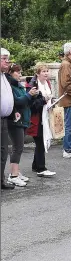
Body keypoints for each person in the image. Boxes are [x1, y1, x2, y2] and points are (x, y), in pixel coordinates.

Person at [6, 64, 38, 186]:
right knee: (17, 147)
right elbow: (18, 102)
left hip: (24, 119)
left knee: (19, 147)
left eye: (20, 72)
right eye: (18, 72)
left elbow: (26, 102)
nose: (20, 75)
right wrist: (29, 94)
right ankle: (13, 175)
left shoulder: (19, 85)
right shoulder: (10, 86)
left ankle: (16, 172)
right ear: (11, 73)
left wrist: (32, 96)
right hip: (15, 120)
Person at [26, 63, 56, 177]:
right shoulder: (33, 85)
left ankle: (35, 165)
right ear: (38, 73)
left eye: (47, 71)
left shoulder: (47, 83)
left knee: (40, 142)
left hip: (45, 116)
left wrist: (51, 100)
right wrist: (44, 99)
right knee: (40, 143)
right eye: (43, 71)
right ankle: (41, 168)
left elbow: (48, 98)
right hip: (36, 118)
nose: (46, 73)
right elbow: (32, 105)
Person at [1, 48, 15, 189]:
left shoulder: (4, 76)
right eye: (4, 59)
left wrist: (13, 111)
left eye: (8, 59)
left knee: (4, 151)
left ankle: (1, 180)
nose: (7, 62)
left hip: (5, 119)